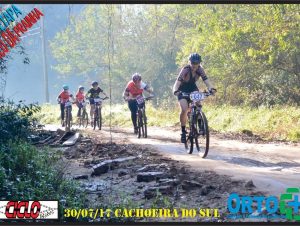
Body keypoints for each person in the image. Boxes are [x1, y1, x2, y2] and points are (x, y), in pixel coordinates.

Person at [172, 53, 217, 143]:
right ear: (190, 62)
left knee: (198, 104)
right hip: (182, 89)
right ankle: (183, 131)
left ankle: (200, 125)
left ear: (199, 63)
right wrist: (175, 91)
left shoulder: (200, 70)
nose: (194, 65)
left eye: (197, 63)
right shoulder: (185, 70)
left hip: (192, 88)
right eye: (193, 63)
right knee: (184, 109)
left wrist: (211, 89)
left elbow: (206, 81)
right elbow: (177, 83)